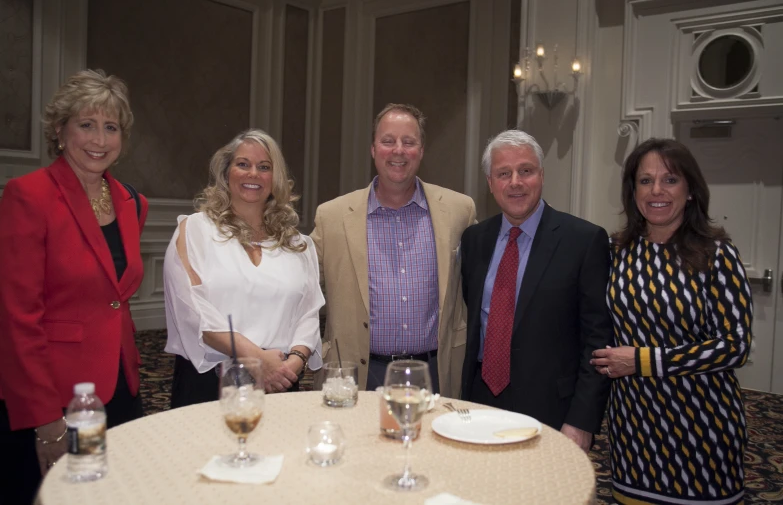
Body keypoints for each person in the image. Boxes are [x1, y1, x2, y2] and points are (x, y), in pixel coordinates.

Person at [0, 69, 148, 503]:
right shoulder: (29, 195)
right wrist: (44, 418)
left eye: (111, 127)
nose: (99, 139)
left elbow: (115, 299)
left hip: (121, 383)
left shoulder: (131, 202)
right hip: (55, 392)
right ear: (60, 131)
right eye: (86, 124)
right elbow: (16, 317)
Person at [591, 138, 752, 504]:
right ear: (633, 191)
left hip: (702, 428)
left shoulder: (717, 254)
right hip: (634, 428)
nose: (656, 191)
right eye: (645, 181)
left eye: (670, 180)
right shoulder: (616, 252)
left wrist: (643, 360)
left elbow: (734, 346)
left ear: (691, 190)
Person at [460, 130, 612, 452]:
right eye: (504, 173)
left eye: (526, 171)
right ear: (490, 182)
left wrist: (582, 420)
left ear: (541, 176)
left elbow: (597, 339)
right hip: (480, 401)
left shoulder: (583, 241)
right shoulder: (474, 240)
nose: (515, 182)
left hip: (552, 411)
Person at [310, 103, 476, 396]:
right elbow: (301, 291)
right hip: (358, 375)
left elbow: (483, 286)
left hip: (436, 373)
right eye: (388, 141)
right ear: (374, 149)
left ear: (421, 150)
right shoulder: (332, 217)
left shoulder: (459, 211)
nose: (398, 150)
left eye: (408, 142)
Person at [163, 129, 324, 407]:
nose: (253, 174)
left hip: (280, 379)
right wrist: (257, 359)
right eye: (243, 164)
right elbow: (192, 311)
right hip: (209, 383)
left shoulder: (299, 244)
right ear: (227, 173)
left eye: (264, 167)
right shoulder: (194, 231)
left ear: (275, 179)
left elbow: (308, 314)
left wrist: (294, 362)